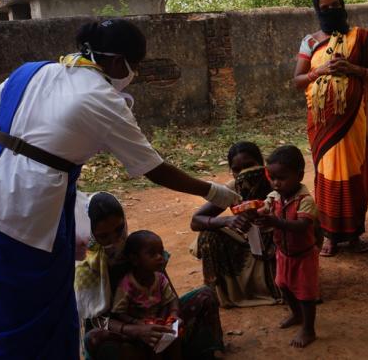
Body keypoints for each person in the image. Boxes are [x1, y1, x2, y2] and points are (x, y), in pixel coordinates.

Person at [0, 19, 239, 359]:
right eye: (135, 65)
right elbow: (153, 169)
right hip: (22, 217)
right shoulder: (102, 99)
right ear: (117, 62)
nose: (133, 73)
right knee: (38, 320)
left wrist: (16, 159)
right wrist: (213, 192)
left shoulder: (32, 72)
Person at [75, 192, 224, 360]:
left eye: (118, 229)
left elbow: (169, 295)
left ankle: (202, 353)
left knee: (205, 296)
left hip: (158, 326)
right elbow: (95, 321)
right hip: (123, 334)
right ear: (91, 234)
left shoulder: (138, 248)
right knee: (95, 339)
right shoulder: (85, 268)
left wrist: (170, 320)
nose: (114, 239)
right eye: (103, 236)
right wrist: (136, 329)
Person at [292, 0, 368, 257]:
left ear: (343, 6)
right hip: (322, 125)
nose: (331, 11)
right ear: (318, 12)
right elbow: (296, 81)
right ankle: (329, 236)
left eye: (335, 5)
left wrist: (351, 69)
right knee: (328, 175)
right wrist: (318, 71)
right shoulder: (310, 42)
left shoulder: (361, 37)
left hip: (353, 120)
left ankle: (354, 236)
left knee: (354, 173)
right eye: (325, 8)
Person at [191, 141, 280, 307]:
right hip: (249, 248)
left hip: (279, 245)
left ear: (261, 164)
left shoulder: (277, 181)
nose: (243, 173)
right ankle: (221, 293)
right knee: (208, 235)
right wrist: (227, 220)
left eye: (249, 166)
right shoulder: (232, 189)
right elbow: (196, 221)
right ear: (231, 171)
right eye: (237, 170)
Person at [253, 145, 320, 348]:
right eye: (272, 177)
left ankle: (309, 329)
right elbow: (264, 209)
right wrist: (256, 213)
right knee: (283, 285)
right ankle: (296, 314)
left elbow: (301, 226)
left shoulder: (305, 200)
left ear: (299, 176)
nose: (275, 183)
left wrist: (275, 222)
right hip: (283, 253)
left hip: (304, 255)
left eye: (281, 178)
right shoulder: (274, 197)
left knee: (306, 293)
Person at [111, 230, 182, 359]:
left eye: (160, 252)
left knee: (174, 339)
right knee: (152, 347)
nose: (160, 257)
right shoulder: (127, 284)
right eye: (152, 254)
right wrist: (137, 323)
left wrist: (173, 315)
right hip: (139, 329)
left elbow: (171, 299)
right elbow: (119, 312)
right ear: (135, 259)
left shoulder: (160, 278)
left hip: (159, 323)